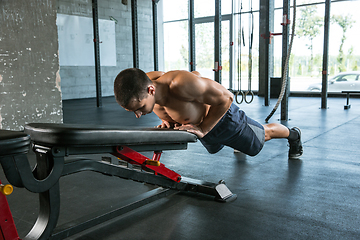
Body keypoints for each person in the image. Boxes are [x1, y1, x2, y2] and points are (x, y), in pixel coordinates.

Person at [113, 68, 303, 159]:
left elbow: (226, 98)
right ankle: (236, 144)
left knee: (264, 134)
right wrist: (167, 119)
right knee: (228, 145)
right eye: (132, 111)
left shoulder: (179, 84)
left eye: (139, 109)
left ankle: (294, 135)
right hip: (203, 129)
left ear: (151, 91)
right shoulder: (145, 82)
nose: (138, 115)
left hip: (223, 120)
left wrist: (203, 128)